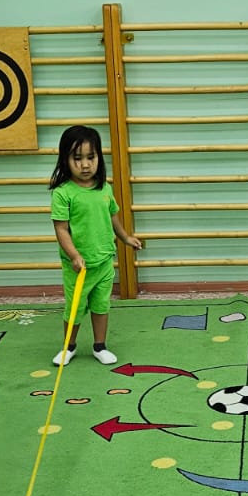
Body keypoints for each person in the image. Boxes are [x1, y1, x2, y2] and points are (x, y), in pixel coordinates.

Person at [48, 125, 142, 366]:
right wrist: (74, 255)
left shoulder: (104, 188)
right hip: (78, 268)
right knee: (75, 308)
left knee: (101, 305)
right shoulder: (62, 193)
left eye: (91, 157)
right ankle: (69, 347)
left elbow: (112, 216)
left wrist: (125, 238)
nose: (85, 165)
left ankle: (100, 346)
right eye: (77, 158)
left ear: (99, 157)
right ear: (65, 160)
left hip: (104, 261)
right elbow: (61, 229)